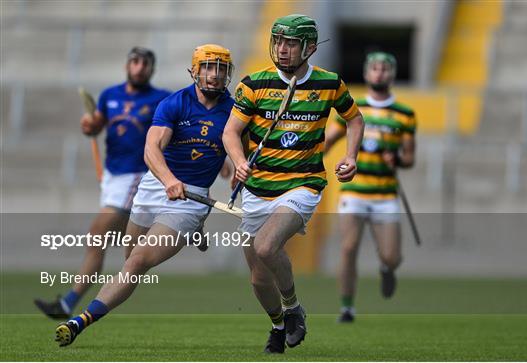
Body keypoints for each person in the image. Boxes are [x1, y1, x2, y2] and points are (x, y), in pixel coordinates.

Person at [54, 44, 235, 347]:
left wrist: (234, 164)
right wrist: (168, 180)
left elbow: (236, 140)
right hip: (155, 188)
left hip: (192, 199)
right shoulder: (174, 103)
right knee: (130, 261)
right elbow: (151, 149)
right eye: (208, 67)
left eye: (221, 68)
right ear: (195, 71)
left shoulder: (233, 109)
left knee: (136, 262)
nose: (215, 75)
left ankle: (79, 321)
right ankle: (193, 230)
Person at [223, 14, 364, 354]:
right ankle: (276, 325)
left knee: (267, 246)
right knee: (258, 277)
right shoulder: (253, 84)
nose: (282, 50)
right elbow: (230, 132)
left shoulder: (329, 84)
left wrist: (351, 157)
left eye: (290, 44)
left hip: (302, 184)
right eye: (278, 42)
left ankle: (293, 308)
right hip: (258, 190)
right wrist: (240, 162)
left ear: (309, 48)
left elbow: (354, 119)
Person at [34, 47, 171, 319]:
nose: (140, 67)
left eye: (146, 63)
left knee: (97, 235)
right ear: (127, 66)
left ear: (152, 69)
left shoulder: (162, 100)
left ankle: (71, 303)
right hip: (112, 176)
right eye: (135, 61)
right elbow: (95, 126)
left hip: (137, 176)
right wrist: (90, 126)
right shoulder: (110, 95)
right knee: (114, 244)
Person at [325, 52, 417, 323]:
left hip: (385, 194)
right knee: (348, 247)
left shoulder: (404, 114)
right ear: (366, 73)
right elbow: (327, 141)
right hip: (354, 191)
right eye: (375, 68)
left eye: (385, 69)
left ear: (392, 74)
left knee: (391, 256)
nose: (379, 73)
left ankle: (387, 269)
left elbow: (410, 158)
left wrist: (397, 159)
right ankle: (346, 307)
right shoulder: (353, 108)